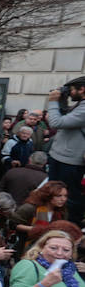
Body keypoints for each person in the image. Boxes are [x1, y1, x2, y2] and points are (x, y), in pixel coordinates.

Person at [46, 77, 85, 224]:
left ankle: (67, 228)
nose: (71, 93)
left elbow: (57, 122)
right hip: (61, 157)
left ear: (82, 89)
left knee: (67, 198)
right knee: (51, 195)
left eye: (72, 89)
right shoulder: (80, 104)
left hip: (70, 162)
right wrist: (61, 100)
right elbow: (63, 114)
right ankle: (50, 224)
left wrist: (53, 101)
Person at [9, 230, 85, 287]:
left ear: (71, 254)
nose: (59, 253)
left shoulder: (70, 269)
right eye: (53, 248)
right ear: (41, 248)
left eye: (66, 250)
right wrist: (45, 284)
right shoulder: (28, 265)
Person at [11, 181, 69, 247]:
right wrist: (37, 229)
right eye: (59, 196)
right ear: (48, 195)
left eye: (65, 196)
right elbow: (13, 225)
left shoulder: (61, 212)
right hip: (25, 244)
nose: (63, 199)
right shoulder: (30, 208)